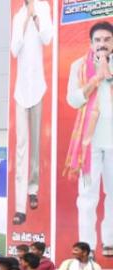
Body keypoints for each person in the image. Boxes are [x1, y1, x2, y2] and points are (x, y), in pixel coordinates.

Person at [67, 21, 113, 254]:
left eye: (106, 39)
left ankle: (110, 242)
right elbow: (74, 100)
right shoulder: (79, 66)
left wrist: (108, 72)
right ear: (91, 43)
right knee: (87, 195)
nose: (102, 44)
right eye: (98, 40)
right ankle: (86, 246)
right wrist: (95, 79)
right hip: (88, 141)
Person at [10, 3, 53, 225]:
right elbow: (14, 49)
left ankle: (32, 188)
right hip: (21, 90)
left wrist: (35, 15)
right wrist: (25, 18)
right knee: (21, 147)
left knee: (35, 144)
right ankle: (20, 206)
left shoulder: (44, 8)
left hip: (38, 86)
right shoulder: (18, 16)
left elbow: (47, 37)